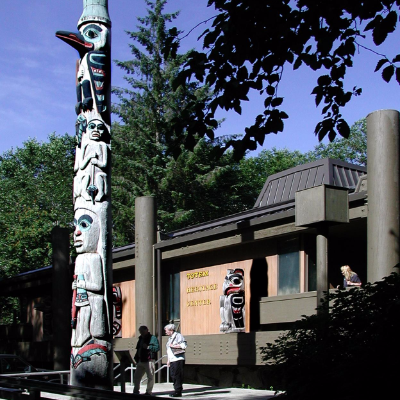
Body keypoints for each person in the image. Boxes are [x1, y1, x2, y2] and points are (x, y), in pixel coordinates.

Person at [133, 326, 160, 396]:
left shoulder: (153, 338)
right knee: (136, 377)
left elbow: (157, 348)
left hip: (149, 360)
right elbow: (138, 349)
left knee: (150, 377)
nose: (141, 333)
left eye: (142, 331)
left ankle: (148, 391)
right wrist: (136, 358)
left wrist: (148, 347)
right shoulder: (140, 338)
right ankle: (136, 390)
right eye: (140, 332)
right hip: (140, 360)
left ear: (146, 330)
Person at [165, 324, 187, 398]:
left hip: (178, 359)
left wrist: (173, 346)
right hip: (172, 359)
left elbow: (184, 345)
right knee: (173, 375)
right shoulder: (170, 338)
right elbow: (168, 350)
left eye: (166, 330)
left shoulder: (178, 336)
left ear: (171, 330)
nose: (165, 332)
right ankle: (176, 389)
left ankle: (178, 391)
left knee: (177, 375)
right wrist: (168, 360)